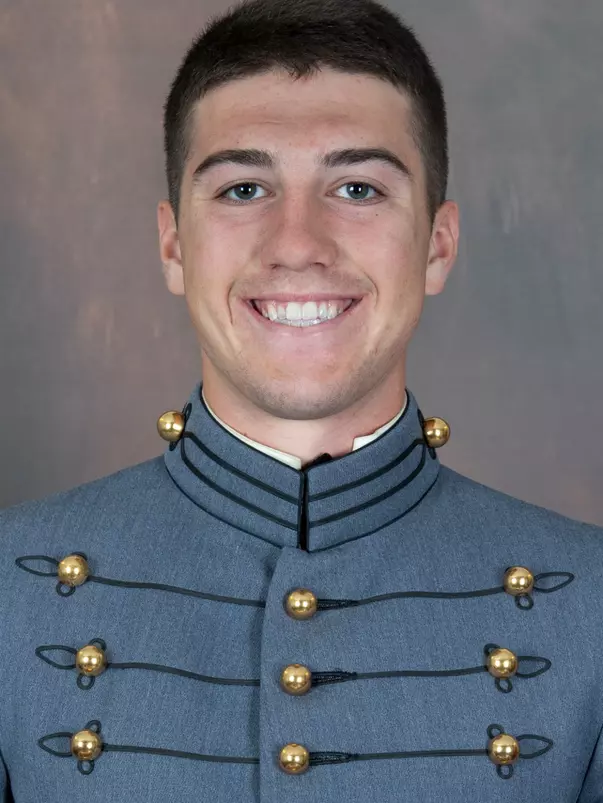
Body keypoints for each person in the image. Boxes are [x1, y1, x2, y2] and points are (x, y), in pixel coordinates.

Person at [0, 0, 601, 799]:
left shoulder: (588, 601)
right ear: (173, 243)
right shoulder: (12, 587)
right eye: (244, 188)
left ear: (437, 243)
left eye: (356, 187)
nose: (296, 245)